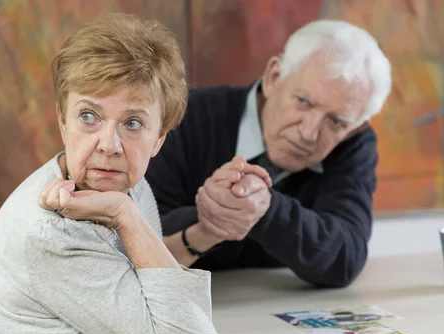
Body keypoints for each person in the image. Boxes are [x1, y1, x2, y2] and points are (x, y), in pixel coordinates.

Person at [0, 13, 222, 334]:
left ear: (159, 139)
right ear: (63, 123)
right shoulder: (51, 231)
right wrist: (124, 216)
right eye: (89, 117)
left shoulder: (129, 187)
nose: (109, 145)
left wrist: (194, 229)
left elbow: (147, 279)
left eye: (132, 123)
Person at [149, 20, 392, 288]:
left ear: (354, 126)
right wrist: (225, 207)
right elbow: (142, 236)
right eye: (303, 102)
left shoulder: (352, 143)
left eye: (336, 121)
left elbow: (345, 258)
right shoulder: (183, 117)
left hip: (276, 314)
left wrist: (266, 208)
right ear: (274, 77)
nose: (309, 133)